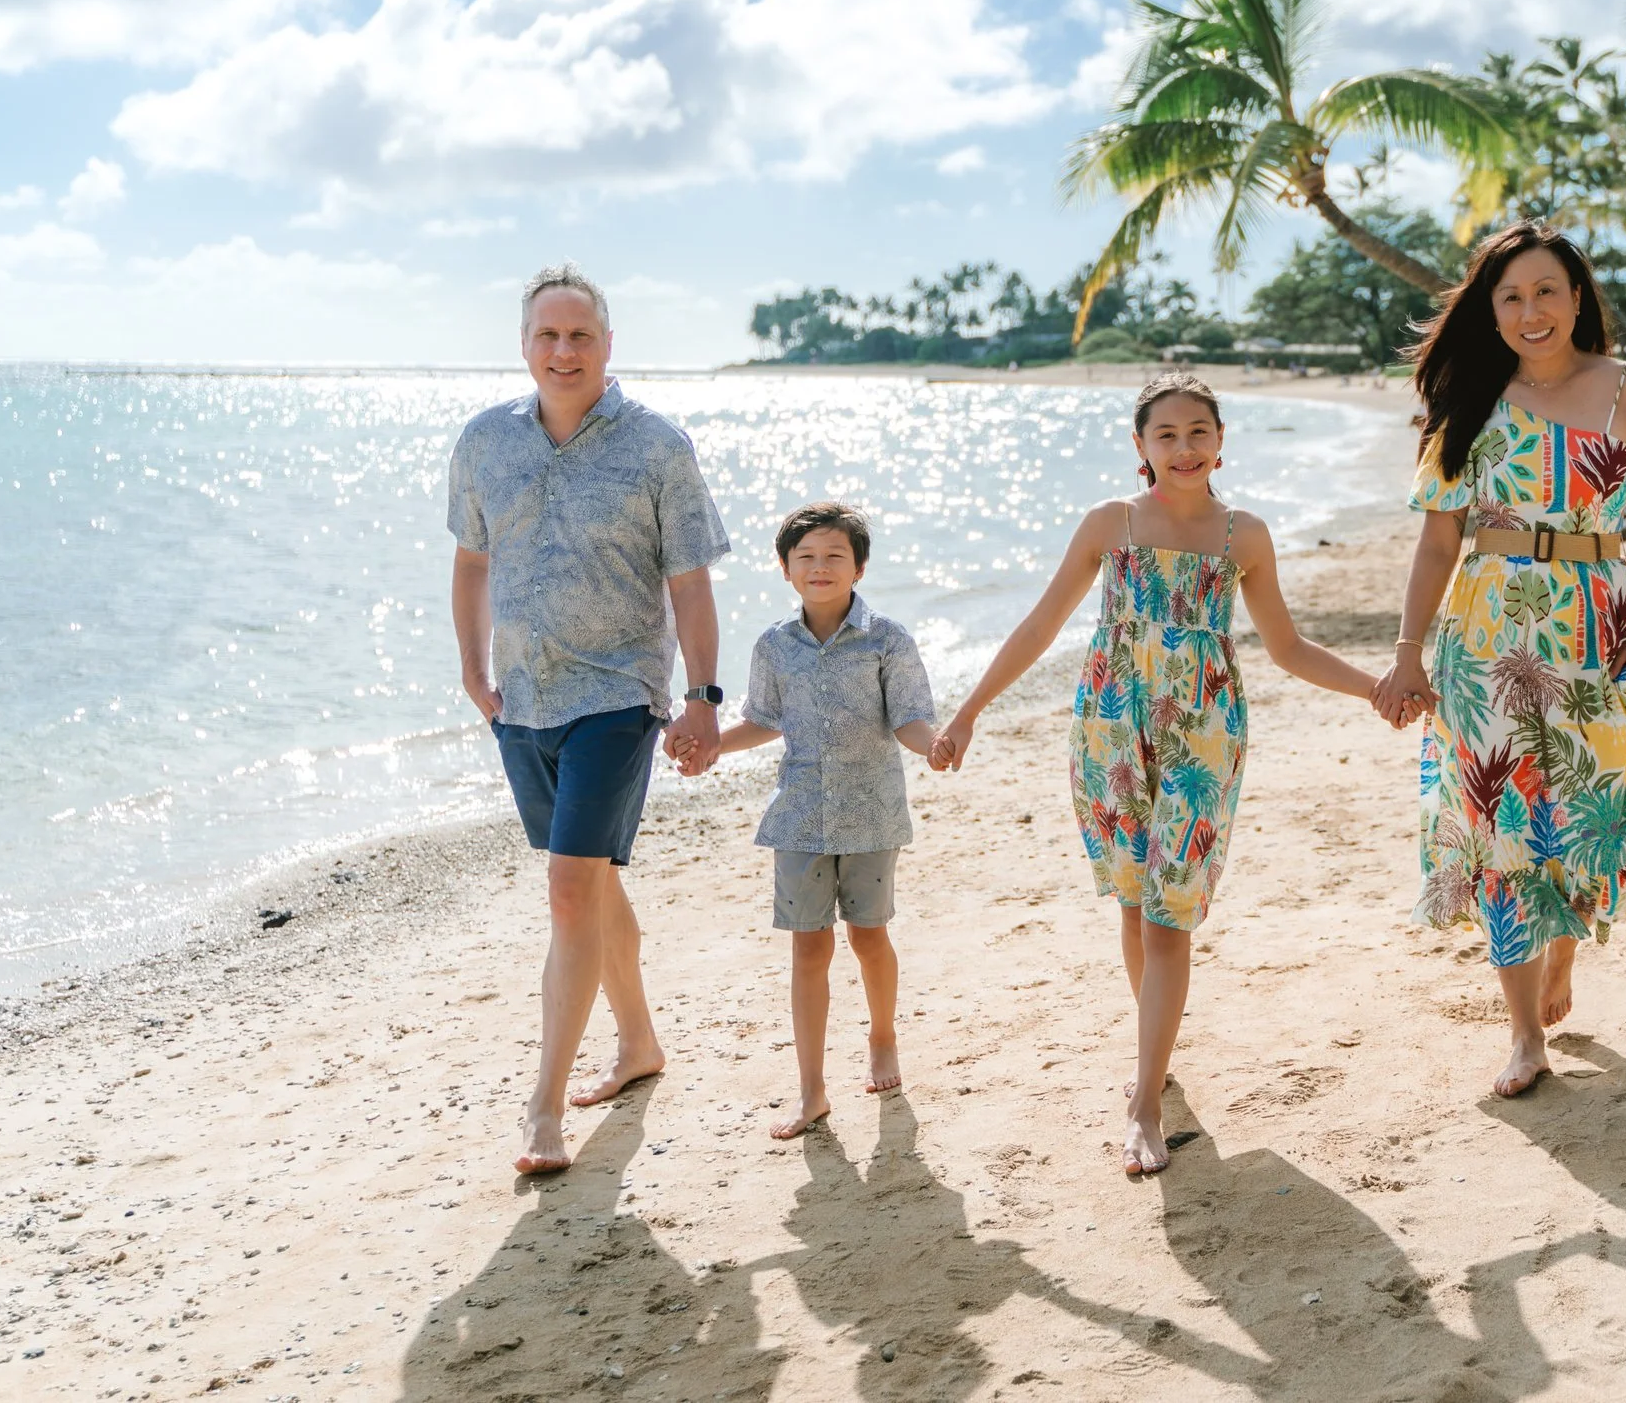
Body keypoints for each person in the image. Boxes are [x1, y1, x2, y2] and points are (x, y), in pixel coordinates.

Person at [930, 373, 1381, 1176]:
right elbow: (1042, 621)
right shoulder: (1113, 523)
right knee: (1137, 912)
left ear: (1220, 441)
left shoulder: (1245, 537)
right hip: (1109, 730)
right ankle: (1156, 1057)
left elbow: (1287, 648)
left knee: (1170, 918)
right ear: (1140, 446)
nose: (1184, 447)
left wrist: (1376, 686)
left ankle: (1143, 1103)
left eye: (1198, 431)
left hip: (1204, 740)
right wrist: (969, 711)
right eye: (1165, 434)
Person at [1372, 219, 1626, 1099]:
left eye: (1546, 290)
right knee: (1503, 814)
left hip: (1592, 624)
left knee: (1583, 804)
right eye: (1510, 296)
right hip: (1485, 636)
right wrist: (1407, 656)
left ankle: (1561, 954)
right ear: (1491, 311)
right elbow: (1439, 543)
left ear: (1577, 297)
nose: (1530, 310)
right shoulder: (1469, 394)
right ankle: (1522, 1037)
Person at [447, 264, 731, 1175]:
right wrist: (471, 671)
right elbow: (471, 564)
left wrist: (702, 697)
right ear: (524, 345)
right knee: (596, 880)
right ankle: (639, 1041)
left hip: (617, 695)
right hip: (521, 700)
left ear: (609, 345)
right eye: (547, 336)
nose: (562, 352)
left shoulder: (657, 446)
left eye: (580, 336)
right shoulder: (485, 442)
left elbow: (689, 580)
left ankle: (541, 1111)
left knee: (570, 888)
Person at [705, 502, 938, 1140]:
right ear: (785, 570)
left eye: (835, 555)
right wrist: (711, 745)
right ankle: (811, 1090)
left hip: (872, 812)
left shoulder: (887, 639)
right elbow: (762, 719)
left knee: (868, 937)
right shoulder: (774, 646)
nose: (820, 567)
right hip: (801, 815)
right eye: (805, 557)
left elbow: (910, 717)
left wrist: (933, 746)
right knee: (809, 949)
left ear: (859, 566)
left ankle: (883, 1035)